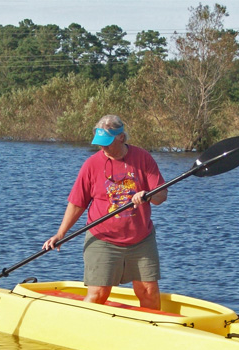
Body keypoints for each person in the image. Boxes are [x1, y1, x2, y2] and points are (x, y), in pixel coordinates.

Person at [43, 115, 168, 309]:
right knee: (99, 293)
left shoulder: (143, 158)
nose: (103, 148)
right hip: (103, 238)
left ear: (121, 138)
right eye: (100, 144)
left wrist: (148, 195)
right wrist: (61, 233)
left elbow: (162, 195)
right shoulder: (91, 165)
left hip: (141, 239)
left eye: (107, 143)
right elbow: (77, 203)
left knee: (148, 291)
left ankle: (151, 330)